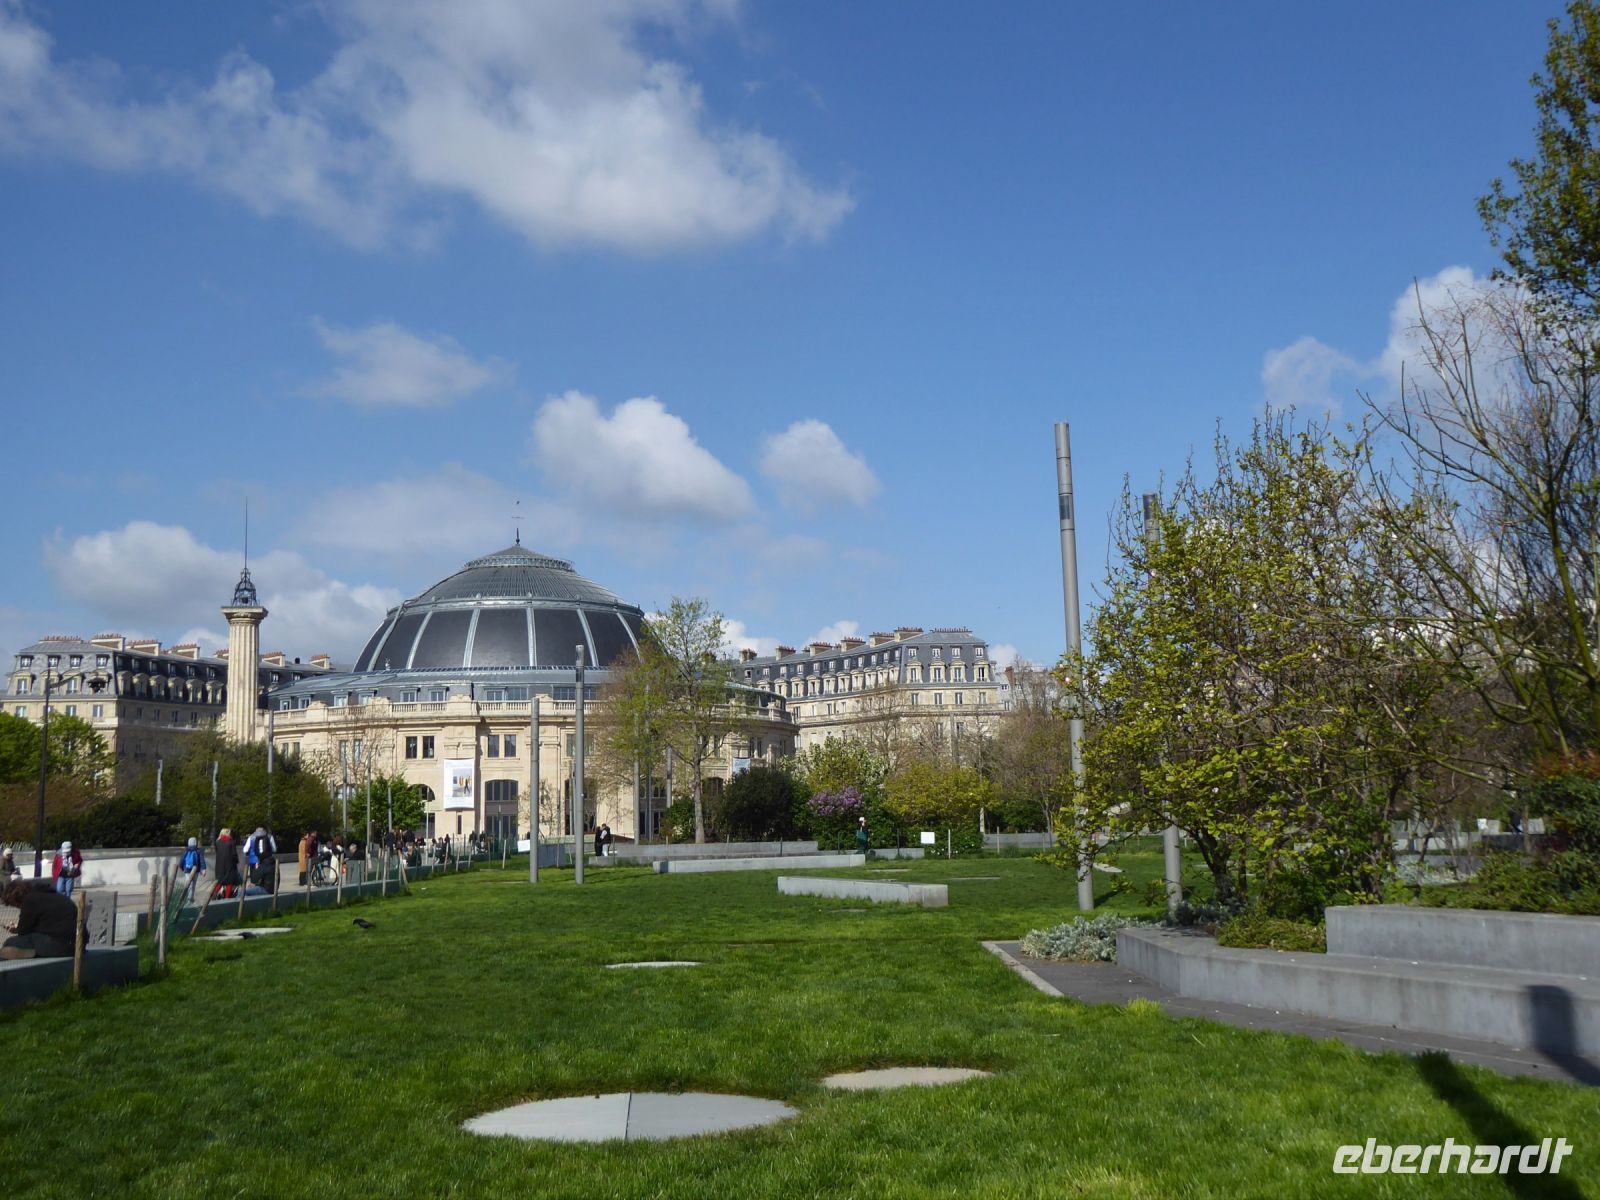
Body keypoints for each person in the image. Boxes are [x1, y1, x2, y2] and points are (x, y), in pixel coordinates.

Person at [1, 878, 80, 959]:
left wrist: (18, 928)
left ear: (17, 899)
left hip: (62, 945)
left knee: (10, 943)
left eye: (15, 905)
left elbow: (23, 932)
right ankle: (33, 953)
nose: (18, 908)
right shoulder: (52, 895)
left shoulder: (30, 900)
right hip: (78, 944)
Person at [246, 827, 277, 891]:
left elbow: (245, 849)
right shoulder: (270, 837)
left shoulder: (251, 837)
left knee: (253, 880)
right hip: (266, 860)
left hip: (253, 861)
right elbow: (274, 849)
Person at [214, 828, 241, 899]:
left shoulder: (217, 842)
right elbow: (234, 854)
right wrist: (236, 861)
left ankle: (214, 894)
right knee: (229, 882)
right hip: (230, 864)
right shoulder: (231, 841)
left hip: (219, 865)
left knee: (220, 881)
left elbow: (217, 852)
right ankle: (227, 897)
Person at [179, 837, 207, 903]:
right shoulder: (199, 851)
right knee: (193, 884)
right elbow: (202, 860)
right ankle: (191, 898)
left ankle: (188, 898)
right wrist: (203, 869)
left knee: (188, 884)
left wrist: (181, 867)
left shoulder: (186, 850)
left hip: (187, 870)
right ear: (196, 843)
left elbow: (182, 860)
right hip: (196, 870)